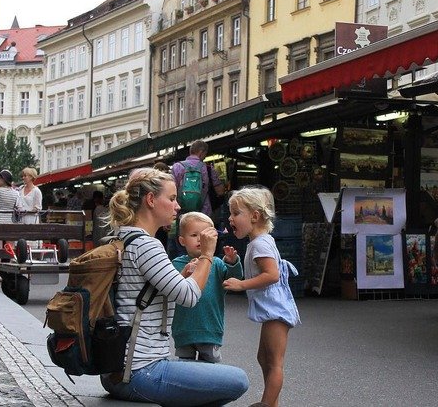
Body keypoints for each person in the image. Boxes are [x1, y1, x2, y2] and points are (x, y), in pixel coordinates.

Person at [99, 168, 249, 406]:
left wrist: (181, 275)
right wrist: (208, 254)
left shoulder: (123, 238)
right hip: (140, 372)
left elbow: (147, 292)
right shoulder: (147, 246)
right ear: (150, 200)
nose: (177, 206)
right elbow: (189, 296)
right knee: (238, 380)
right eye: (171, 198)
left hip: (117, 370)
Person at [223, 186, 300, 407]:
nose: (230, 218)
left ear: (255, 216)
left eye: (236, 213)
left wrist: (242, 284)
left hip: (276, 310)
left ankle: (266, 405)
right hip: (272, 309)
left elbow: (272, 275)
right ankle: (272, 403)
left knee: (274, 362)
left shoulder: (260, 244)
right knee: (264, 358)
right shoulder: (259, 241)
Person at [171, 211, 243, 363]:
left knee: (210, 372)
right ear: (182, 240)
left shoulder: (216, 263)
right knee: (185, 371)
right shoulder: (176, 264)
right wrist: (184, 273)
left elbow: (233, 279)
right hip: (183, 330)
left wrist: (232, 262)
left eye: (205, 235)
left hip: (210, 329)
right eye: (194, 235)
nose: (200, 239)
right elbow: (171, 289)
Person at [169, 140, 224, 257]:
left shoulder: (177, 167)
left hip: (180, 214)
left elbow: (170, 192)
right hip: (203, 214)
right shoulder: (208, 169)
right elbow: (220, 191)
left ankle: (182, 270)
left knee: (181, 247)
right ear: (202, 152)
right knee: (204, 248)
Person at [0, 169, 20, 279]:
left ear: (4, 180)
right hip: (10, 221)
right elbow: (16, 206)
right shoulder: (16, 193)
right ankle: (9, 270)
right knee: (10, 247)